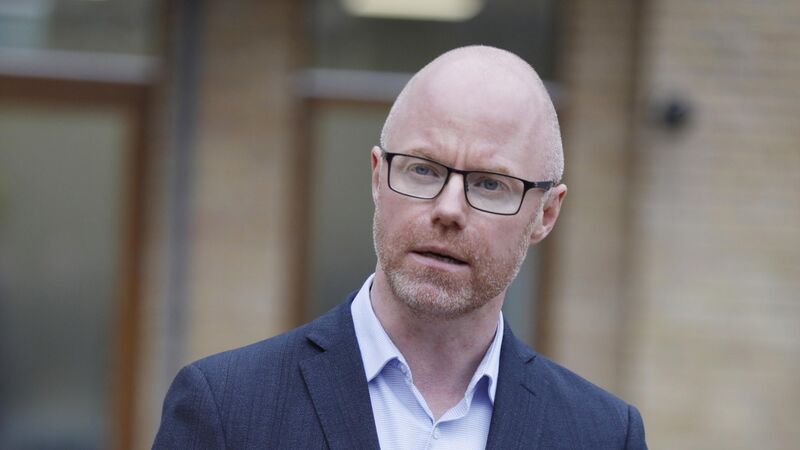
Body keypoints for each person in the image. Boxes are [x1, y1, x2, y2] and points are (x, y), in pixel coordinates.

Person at [153, 45, 647, 449]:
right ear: (377, 177)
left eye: (490, 184)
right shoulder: (227, 408)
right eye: (423, 170)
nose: (449, 209)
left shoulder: (603, 435)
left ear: (546, 214)